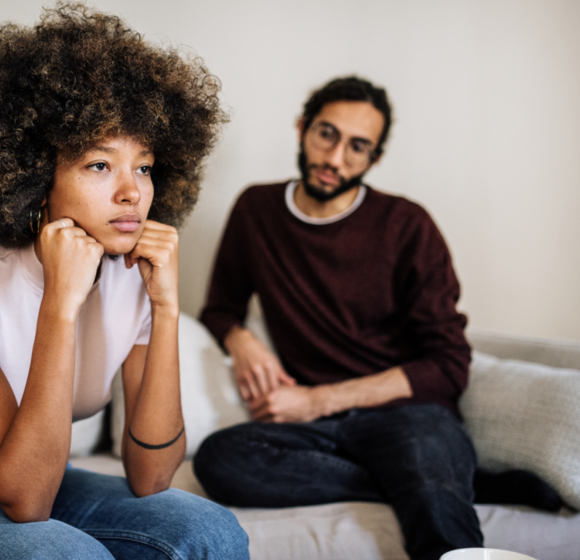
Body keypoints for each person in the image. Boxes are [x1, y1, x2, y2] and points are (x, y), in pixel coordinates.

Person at [0, 2, 248, 560]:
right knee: (62, 555)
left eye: (144, 165)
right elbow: (26, 500)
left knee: (211, 532)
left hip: (43, 473)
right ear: (37, 177)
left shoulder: (133, 277)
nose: (132, 191)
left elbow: (153, 475)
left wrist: (165, 305)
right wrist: (60, 305)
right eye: (99, 165)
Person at [193, 76, 561, 560]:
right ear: (303, 127)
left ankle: (438, 480)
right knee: (222, 459)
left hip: (408, 418)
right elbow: (220, 308)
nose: (335, 158)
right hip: (320, 437)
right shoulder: (256, 210)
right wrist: (242, 340)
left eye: (357, 147)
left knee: (429, 482)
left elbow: (449, 364)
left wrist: (315, 399)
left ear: (374, 158)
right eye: (327, 134)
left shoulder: (408, 225)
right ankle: (460, 482)